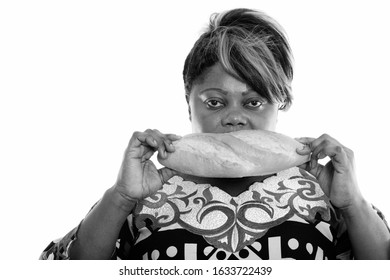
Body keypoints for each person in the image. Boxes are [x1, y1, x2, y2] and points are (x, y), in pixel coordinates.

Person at [40, 8, 390, 260]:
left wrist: (353, 205)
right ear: (189, 106)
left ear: (279, 105)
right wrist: (119, 198)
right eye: (215, 102)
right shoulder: (145, 191)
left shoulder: (322, 188)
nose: (234, 118)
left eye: (253, 102)